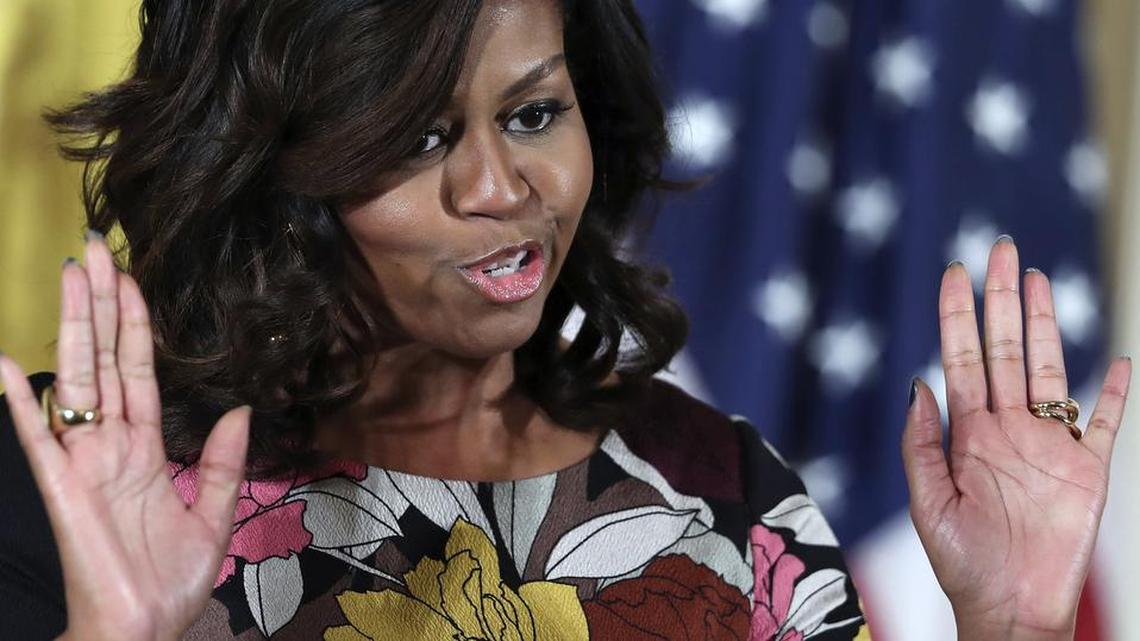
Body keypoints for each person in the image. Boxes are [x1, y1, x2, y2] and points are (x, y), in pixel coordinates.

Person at [0, 0, 1129, 639]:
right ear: (274, 164)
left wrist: (1014, 622)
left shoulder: (728, 491)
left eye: (535, 111)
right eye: (418, 138)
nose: (502, 188)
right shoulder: (79, 482)